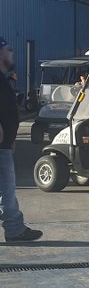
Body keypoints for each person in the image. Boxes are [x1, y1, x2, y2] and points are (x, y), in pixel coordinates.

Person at [0, 37, 43, 243]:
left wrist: (11, 139)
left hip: (4, 145)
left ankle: (14, 228)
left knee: (6, 190)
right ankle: (14, 229)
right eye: (9, 50)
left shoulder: (3, 79)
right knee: (6, 189)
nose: (12, 53)